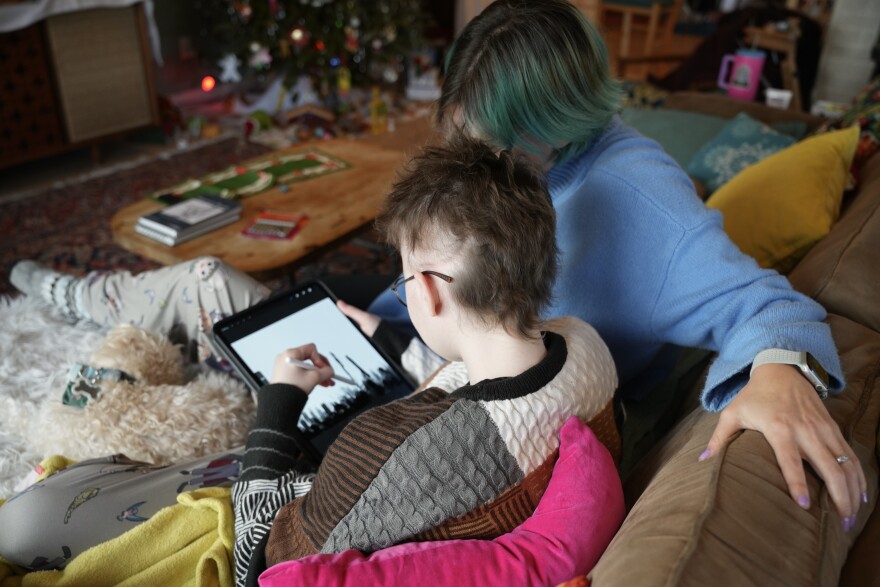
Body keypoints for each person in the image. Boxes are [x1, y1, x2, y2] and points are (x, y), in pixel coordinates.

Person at [7, 0, 865, 532]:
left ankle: (89, 299)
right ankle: (95, 297)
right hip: (408, 339)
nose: (465, 147)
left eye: (484, 136)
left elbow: (767, 305)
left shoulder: (640, 201)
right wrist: (385, 317)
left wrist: (779, 367)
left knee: (206, 288)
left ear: (553, 123)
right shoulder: (541, 162)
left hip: (424, 385)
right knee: (237, 301)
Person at [0, 136, 620, 587]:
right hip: (353, 476)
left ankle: (82, 312)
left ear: (429, 291)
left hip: (259, 499)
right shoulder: (582, 347)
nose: (407, 292)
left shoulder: (387, 449)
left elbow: (256, 558)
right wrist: (386, 331)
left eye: (405, 282)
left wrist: (278, 402)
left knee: (24, 523)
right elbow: (478, 376)